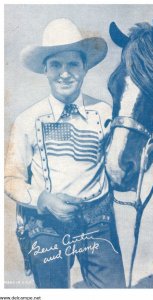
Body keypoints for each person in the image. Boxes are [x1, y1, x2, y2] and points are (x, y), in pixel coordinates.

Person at [5, 18, 125, 288]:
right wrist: (43, 199)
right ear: (45, 70)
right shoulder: (26, 120)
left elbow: (118, 163)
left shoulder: (106, 113)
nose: (65, 73)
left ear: (84, 68)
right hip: (46, 225)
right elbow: (10, 179)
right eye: (56, 65)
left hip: (98, 222)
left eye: (73, 64)